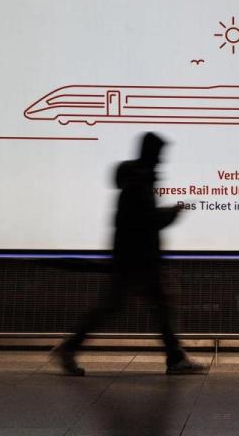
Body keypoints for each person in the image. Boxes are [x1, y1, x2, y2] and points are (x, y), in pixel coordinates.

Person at [56, 132, 204, 376]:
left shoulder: (136, 180)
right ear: (151, 153)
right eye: (159, 154)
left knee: (123, 306)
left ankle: (70, 348)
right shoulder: (139, 183)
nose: (161, 159)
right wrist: (173, 213)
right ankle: (175, 358)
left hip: (132, 257)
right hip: (139, 259)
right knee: (153, 307)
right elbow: (146, 221)